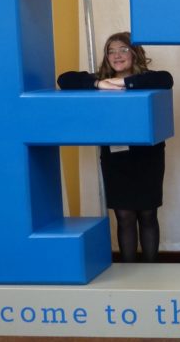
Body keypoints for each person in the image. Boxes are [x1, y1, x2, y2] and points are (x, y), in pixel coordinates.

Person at [58, 31, 173, 263]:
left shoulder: (148, 78)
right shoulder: (100, 80)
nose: (117, 55)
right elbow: (64, 79)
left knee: (148, 214)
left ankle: (151, 270)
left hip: (148, 157)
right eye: (111, 51)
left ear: (135, 53)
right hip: (115, 159)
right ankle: (129, 271)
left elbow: (166, 79)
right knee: (124, 216)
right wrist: (98, 84)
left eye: (123, 50)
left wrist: (124, 83)